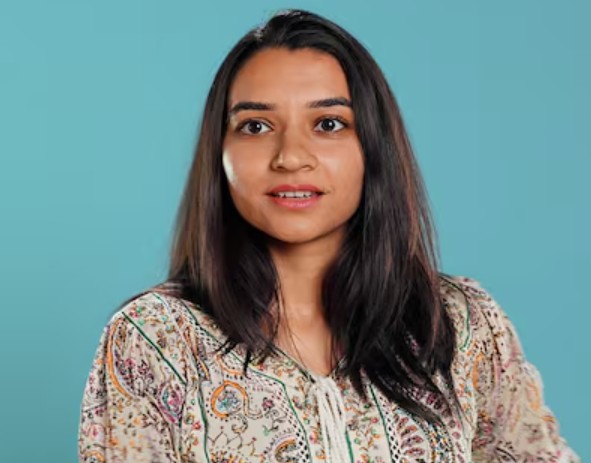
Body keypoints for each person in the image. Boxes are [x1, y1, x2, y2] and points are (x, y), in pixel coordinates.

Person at [78, 9, 579, 463]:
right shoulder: (157, 339)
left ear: (373, 147)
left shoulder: (459, 324)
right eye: (255, 126)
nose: (291, 156)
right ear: (219, 152)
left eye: (329, 123)